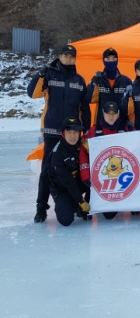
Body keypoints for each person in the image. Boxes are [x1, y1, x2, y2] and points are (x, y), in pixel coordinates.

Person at [27, 44, 91, 223]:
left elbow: (85, 107)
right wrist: (40, 75)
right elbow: (32, 93)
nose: (69, 59)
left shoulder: (79, 80)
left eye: (72, 56)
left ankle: (76, 202)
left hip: (72, 134)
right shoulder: (49, 75)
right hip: (52, 131)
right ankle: (41, 207)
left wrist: (85, 130)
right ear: (60, 56)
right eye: (66, 56)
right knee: (47, 171)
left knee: (76, 168)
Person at [79, 101, 130, 220]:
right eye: (108, 114)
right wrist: (85, 175)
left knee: (109, 215)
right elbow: (83, 154)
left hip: (119, 177)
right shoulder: (93, 131)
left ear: (118, 114)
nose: (111, 117)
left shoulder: (126, 130)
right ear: (103, 114)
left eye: (114, 114)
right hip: (98, 178)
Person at [48, 117, 90, 226]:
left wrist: (91, 150)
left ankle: (84, 204)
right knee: (66, 220)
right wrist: (81, 201)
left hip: (78, 183)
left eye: (75, 132)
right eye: (69, 132)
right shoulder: (57, 154)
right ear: (63, 134)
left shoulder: (83, 145)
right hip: (61, 188)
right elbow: (68, 182)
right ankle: (70, 204)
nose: (73, 136)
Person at [85, 47, 132, 126]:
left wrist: (130, 122)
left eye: (114, 59)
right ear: (103, 61)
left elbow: (131, 106)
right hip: (102, 124)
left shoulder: (126, 81)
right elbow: (89, 99)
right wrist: (94, 82)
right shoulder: (98, 79)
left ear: (117, 60)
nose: (111, 61)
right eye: (108, 59)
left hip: (121, 124)